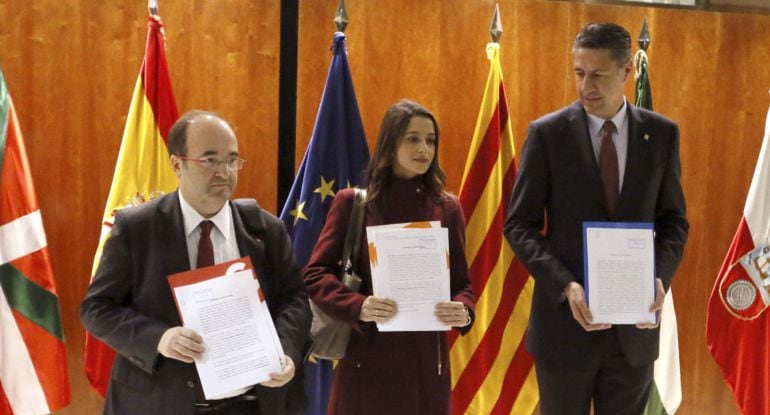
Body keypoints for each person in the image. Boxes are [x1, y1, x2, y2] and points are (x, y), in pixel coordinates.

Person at [503, 23, 689, 415]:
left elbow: (673, 221)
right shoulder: (548, 134)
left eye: (599, 75)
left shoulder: (661, 135)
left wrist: (659, 278)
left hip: (633, 335)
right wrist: (566, 285)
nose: (586, 85)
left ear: (626, 73)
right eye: (579, 72)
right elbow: (519, 224)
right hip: (564, 328)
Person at [80, 110, 311, 415]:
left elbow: (294, 300)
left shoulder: (266, 231)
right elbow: (96, 309)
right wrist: (159, 338)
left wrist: (285, 351)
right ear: (177, 164)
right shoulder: (137, 228)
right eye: (209, 160)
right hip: (160, 402)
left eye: (231, 160)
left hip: (250, 404)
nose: (224, 172)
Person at [303, 99, 475, 414]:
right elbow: (315, 275)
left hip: (426, 367)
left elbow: (463, 285)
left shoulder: (447, 207)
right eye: (412, 138)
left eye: (430, 140)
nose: (424, 148)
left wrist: (463, 312)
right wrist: (359, 305)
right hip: (366, 360)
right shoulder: (354, 203)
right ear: (389, 143)